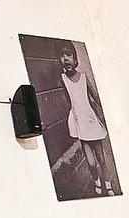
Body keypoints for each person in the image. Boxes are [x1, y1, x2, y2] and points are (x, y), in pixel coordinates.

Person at [58, 40, 113, 195]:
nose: (65, 58)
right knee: (91, 161)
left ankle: (108, 182)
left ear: (75, 59)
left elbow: (96, 97)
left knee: (101, 158)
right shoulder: (63, 79)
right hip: (80, 123)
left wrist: (106, 113)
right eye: (62, 56)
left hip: (91, 121)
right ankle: (97, 182)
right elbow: (69, 99)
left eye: (69, 55)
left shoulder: (83, 77)